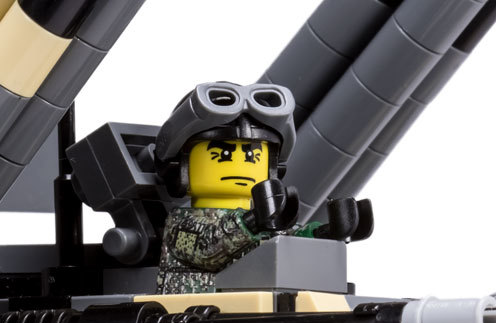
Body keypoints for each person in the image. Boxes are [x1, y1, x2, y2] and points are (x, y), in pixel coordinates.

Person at [153, 82, 370, 294]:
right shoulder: (181, 224)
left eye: (251, 156)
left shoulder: (262, 224)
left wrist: (325, 233)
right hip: (194, 309)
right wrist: (252, 221)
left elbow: (286, 241)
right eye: (225, 155)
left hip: (250, 305)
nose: (241, 166)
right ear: (181, 167)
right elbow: (207, 249)